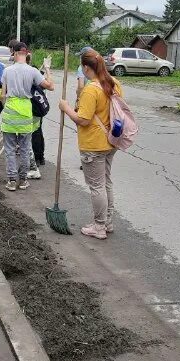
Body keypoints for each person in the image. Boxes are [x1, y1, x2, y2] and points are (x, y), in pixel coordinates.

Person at [58, 50, 122, 240]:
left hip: (93, 144)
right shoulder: (114, 84)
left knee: (97, 186)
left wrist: (65, 108)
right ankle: (108, 221)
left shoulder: (91, 89)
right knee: (106, 182)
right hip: (111, 141)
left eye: (82, 67)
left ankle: (99, 226)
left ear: (86, 67)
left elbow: (83, 120)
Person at [1, 41, 54, 191]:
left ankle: (11, 181)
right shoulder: (32, 71)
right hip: (26, 113)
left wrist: (7, 108)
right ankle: (23, 180)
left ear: (15, 53)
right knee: (24, 149)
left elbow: (2, 95)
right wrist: (48, 69)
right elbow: (50, 86)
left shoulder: (7, 71)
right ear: (26, 54)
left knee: (10, 149)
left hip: (10, 113)